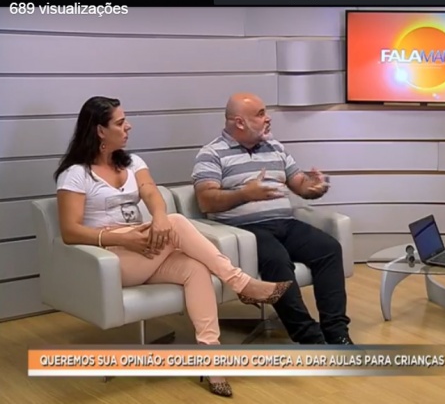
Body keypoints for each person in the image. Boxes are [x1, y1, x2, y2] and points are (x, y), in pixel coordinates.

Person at [54, 96, 293, 398]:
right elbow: (70, 231)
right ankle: (241, 283)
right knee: (178, 223)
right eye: (120, 122)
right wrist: (123, 238)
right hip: (109, 258)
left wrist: (158, 218)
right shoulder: (76, 174)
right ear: (100, 130)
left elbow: (151, 193)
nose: (129, 126)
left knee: (194, 268)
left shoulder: (132, 162)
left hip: (142, 249)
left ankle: (211, 360)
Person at [192, 93, 352, 345]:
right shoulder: (211, 154)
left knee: (329, 249)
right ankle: (310, 338)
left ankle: (337, 333)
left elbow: (300, 184)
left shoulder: (275, 147)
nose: (268, 118)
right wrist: (245, 194)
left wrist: (316, 186)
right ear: (240, 122)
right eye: (260, 114)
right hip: (244, 230)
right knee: (277, 260)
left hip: (285, 223)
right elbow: (206, 200)